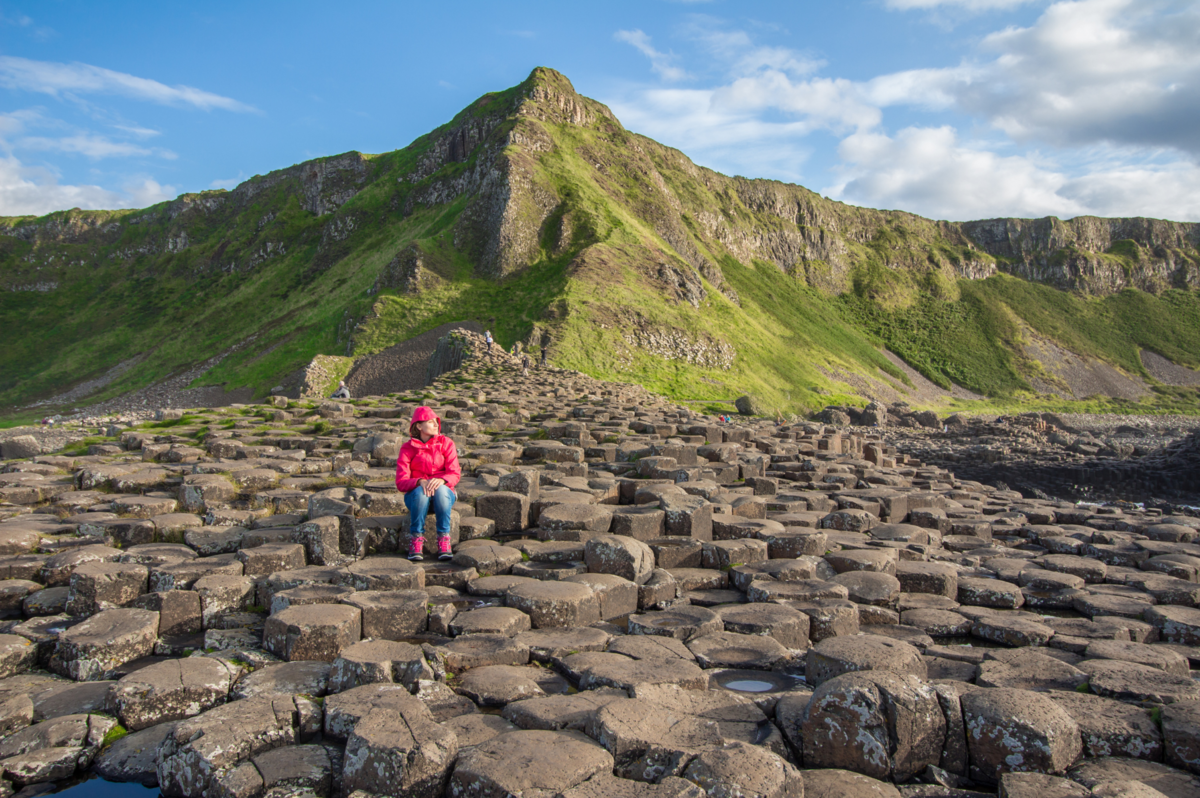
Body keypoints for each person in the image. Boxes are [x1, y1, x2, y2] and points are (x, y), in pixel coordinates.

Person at [396, 406, 461, 561]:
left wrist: (442, 480)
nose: (436, 425)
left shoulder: (446, 443)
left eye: (436, 422)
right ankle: (416, 539)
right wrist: (419, 481)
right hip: (417, 497)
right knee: (421, 492)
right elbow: (401, 482)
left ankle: (444, 539)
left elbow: (455, 473)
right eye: (431, 422)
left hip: (443, 495)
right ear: (419, 426)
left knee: (441, 490)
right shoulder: (407, 448)